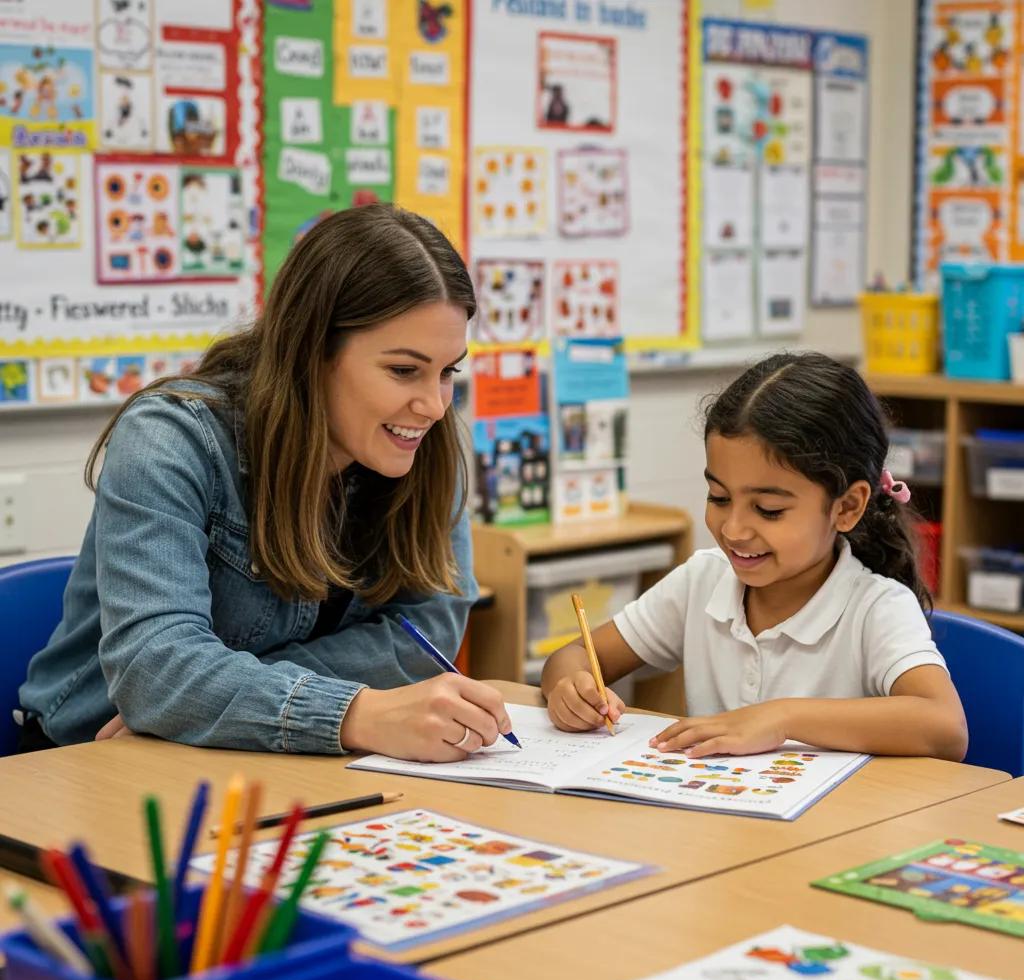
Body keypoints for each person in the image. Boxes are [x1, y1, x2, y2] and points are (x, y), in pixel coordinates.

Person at [19, 204, 513, 761]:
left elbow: (431, 628)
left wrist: (203, 701)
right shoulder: (169, 439)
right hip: (87, 760)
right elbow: (154, 665)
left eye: (449, 371)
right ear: (312, 351)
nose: (432, 405)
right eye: (404, 370)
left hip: (257, 756)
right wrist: (355, 711)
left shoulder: (421, 443)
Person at [542, 352, 968, 761]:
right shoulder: (702, 581)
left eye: (769, 510)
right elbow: (571, 656)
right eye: (719, 497)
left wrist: (783, 717)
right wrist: (571, 686)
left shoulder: (876, 607)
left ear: (846, 507)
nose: (734, 530)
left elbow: (945, 726)